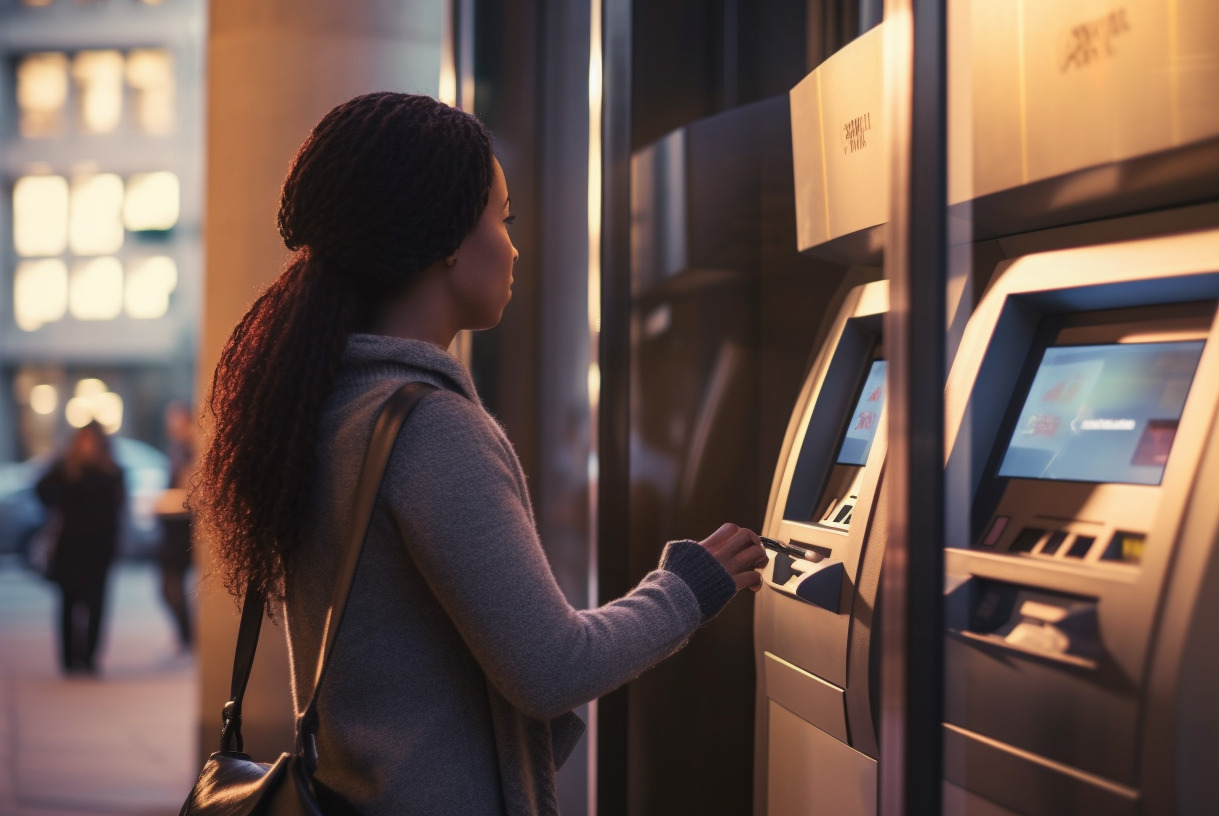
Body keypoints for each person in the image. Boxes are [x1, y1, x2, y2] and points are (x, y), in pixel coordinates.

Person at [193, 91, 767, 815]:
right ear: (444, 241)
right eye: (502, 217)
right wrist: (689, 586)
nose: (514, 246)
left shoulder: (327, 405)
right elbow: (553, 667)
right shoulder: (429, 428)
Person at [36, 421, 126, 677]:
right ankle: (68, 659)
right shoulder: (66, 468)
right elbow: (41, 488)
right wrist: (55, 509)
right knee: (69, 601)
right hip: (71, 544)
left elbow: (119, 507)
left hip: (100, 545)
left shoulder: (111, 470)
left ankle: (89, 657)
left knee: (97, 602)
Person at [154, 399, 196, 652]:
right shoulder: (178, 447)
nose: (171, 424)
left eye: (176, 417)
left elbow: (187, 489)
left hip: (182, 527)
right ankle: (185, 635)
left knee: (170, 586)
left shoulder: (190, 447)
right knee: (168, 587)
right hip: (172, 526)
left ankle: (186, 636)